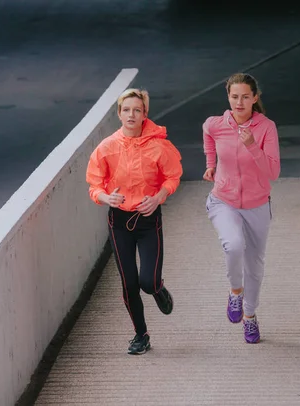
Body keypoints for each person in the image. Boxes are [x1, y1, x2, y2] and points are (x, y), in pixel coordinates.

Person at [86, 88, 183, 355]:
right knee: (129, 283)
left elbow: (173, 176)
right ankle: (141, 335)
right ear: (119, 113)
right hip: (119, 222)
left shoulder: (159, 145)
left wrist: (160, 196)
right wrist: (106, 197)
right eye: (126, 109)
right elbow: (94, 185)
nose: (131, 114)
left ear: (144, 115)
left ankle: (158, 289)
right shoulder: (106, 147)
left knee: (147, 281)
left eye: (137, 110)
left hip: (148, 219)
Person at [202, 73, 281, 343]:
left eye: (245, 96)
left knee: (255, 265)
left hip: (257, 204)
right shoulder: (216, 124)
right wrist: (210, 164)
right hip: (224, 199)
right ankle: (235, 292)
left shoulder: (266, 128)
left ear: (254, 98)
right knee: (233, 245)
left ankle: (249, 316)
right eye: (234, 96)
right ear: (228, 97)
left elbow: (273, 171)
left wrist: (251, 146)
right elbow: (208, 133)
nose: (239, 102)